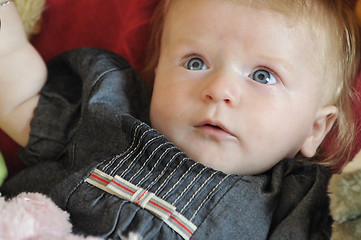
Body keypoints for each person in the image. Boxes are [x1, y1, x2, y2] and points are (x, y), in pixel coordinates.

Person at [0, 0, 360, 239]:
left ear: (315, 129)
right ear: (157, 76)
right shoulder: (109, 113)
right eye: (195, 62)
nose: (219, 89)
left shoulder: (297, 204)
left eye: (263, 76)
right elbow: (17, 98)